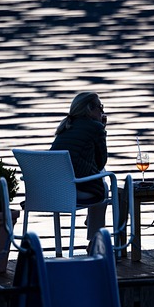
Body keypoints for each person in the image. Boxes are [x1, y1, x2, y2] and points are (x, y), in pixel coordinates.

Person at [50, 91, 109, 240]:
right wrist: (102, 129)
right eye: (100, 107)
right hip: (76, 191)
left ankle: (93, 228)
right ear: (90, 109)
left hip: (53, 191)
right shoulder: (95, 127)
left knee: (101, 178)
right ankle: (95, 240)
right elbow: (101, 161)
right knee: (105, 189)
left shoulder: (65, 127)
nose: (102, 111)